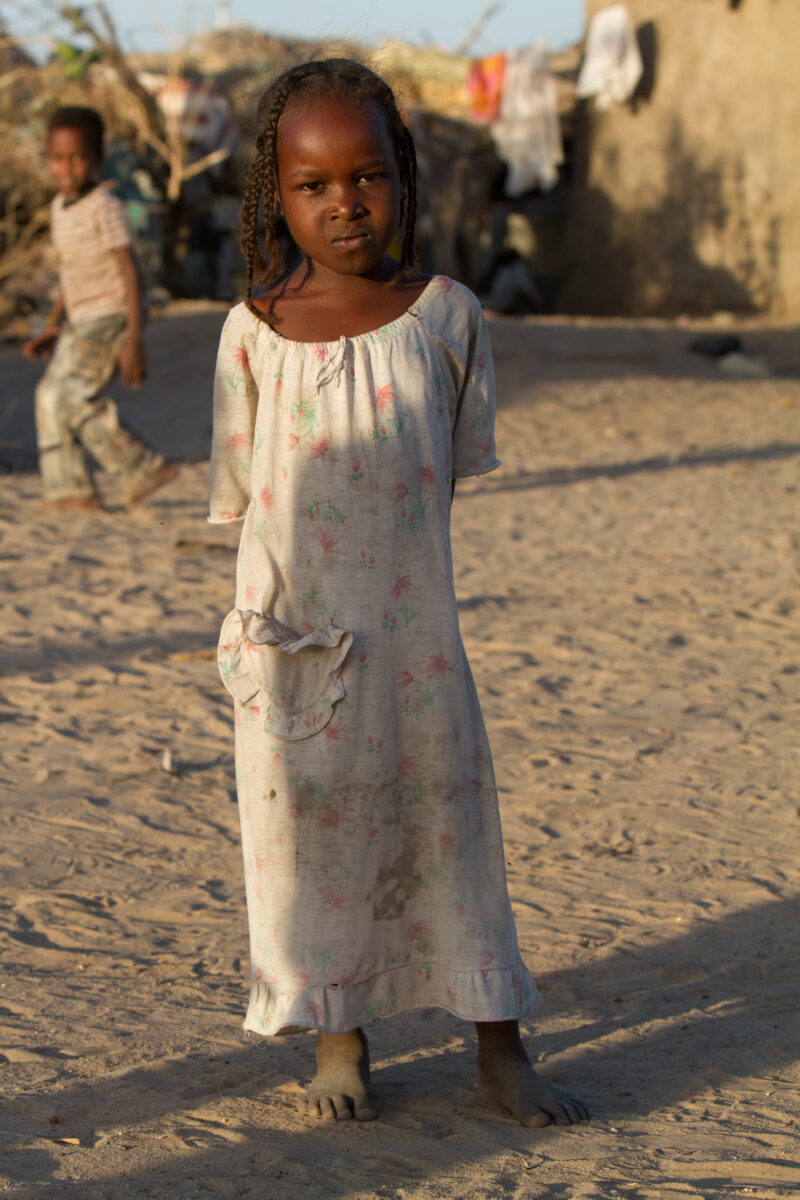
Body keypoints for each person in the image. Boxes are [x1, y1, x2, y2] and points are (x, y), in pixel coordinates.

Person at [209, 59, 588, 1128]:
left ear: (403, 177)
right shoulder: (251, 333)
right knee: (315, 846)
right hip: (296, 646)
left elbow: (445, 473)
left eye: (367, 175)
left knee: (450, 831)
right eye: (313, 184)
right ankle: (340, 1041)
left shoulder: (447, 317)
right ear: (277, 196)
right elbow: (244, 496)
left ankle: (499, 1051)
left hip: (417, 644)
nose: (345, 203)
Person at [22, 105, 176, 510]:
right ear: (47, 158)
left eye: (78, 157)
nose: (67, 167)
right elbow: (70, 274)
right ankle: (70, 491)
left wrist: (135, 339)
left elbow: (130, 272)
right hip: (80, 320)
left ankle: (142, 468)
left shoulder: (105, 206)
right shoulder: (59, 208)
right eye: (57, 157)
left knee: (74, 398)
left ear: (97, 159)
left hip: (111, 316)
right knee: (48, 396)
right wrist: (53, 323)